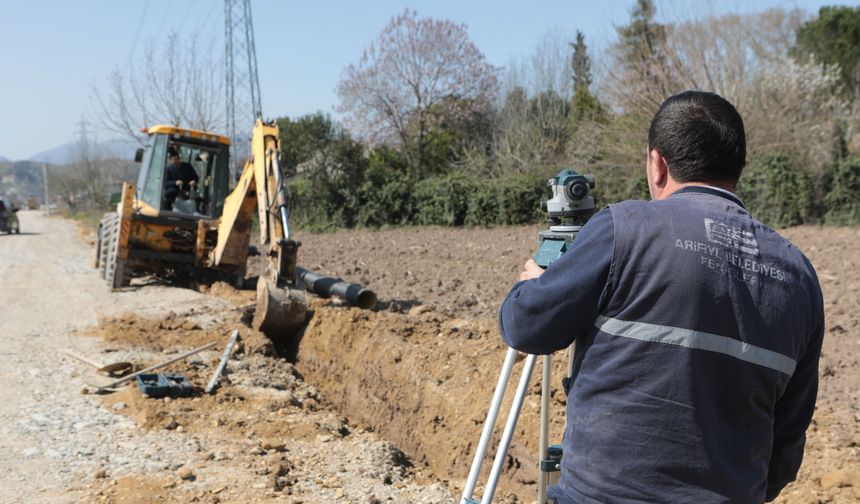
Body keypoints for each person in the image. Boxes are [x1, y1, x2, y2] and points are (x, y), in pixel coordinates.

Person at [499, 91, 824, 503]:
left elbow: (526, 326)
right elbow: (786, 440)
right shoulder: (799, 276)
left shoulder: (625, 228)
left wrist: (532, 285)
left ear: (658, 164)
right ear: (738, 167)